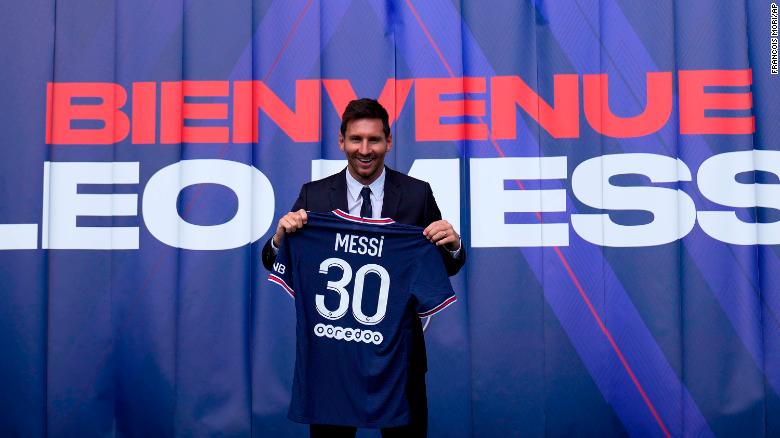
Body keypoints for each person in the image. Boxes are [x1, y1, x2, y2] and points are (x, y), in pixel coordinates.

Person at [261, 98, 465, 437]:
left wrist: (454, 245)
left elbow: (444, 266)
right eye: (356, 139)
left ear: (389, 141)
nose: (365, 149)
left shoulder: (417, 194)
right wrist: (280, 238)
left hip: (400, 358)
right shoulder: (314, 196)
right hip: (332, 359)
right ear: (341, 141)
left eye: (374, 139)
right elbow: (274, 260)